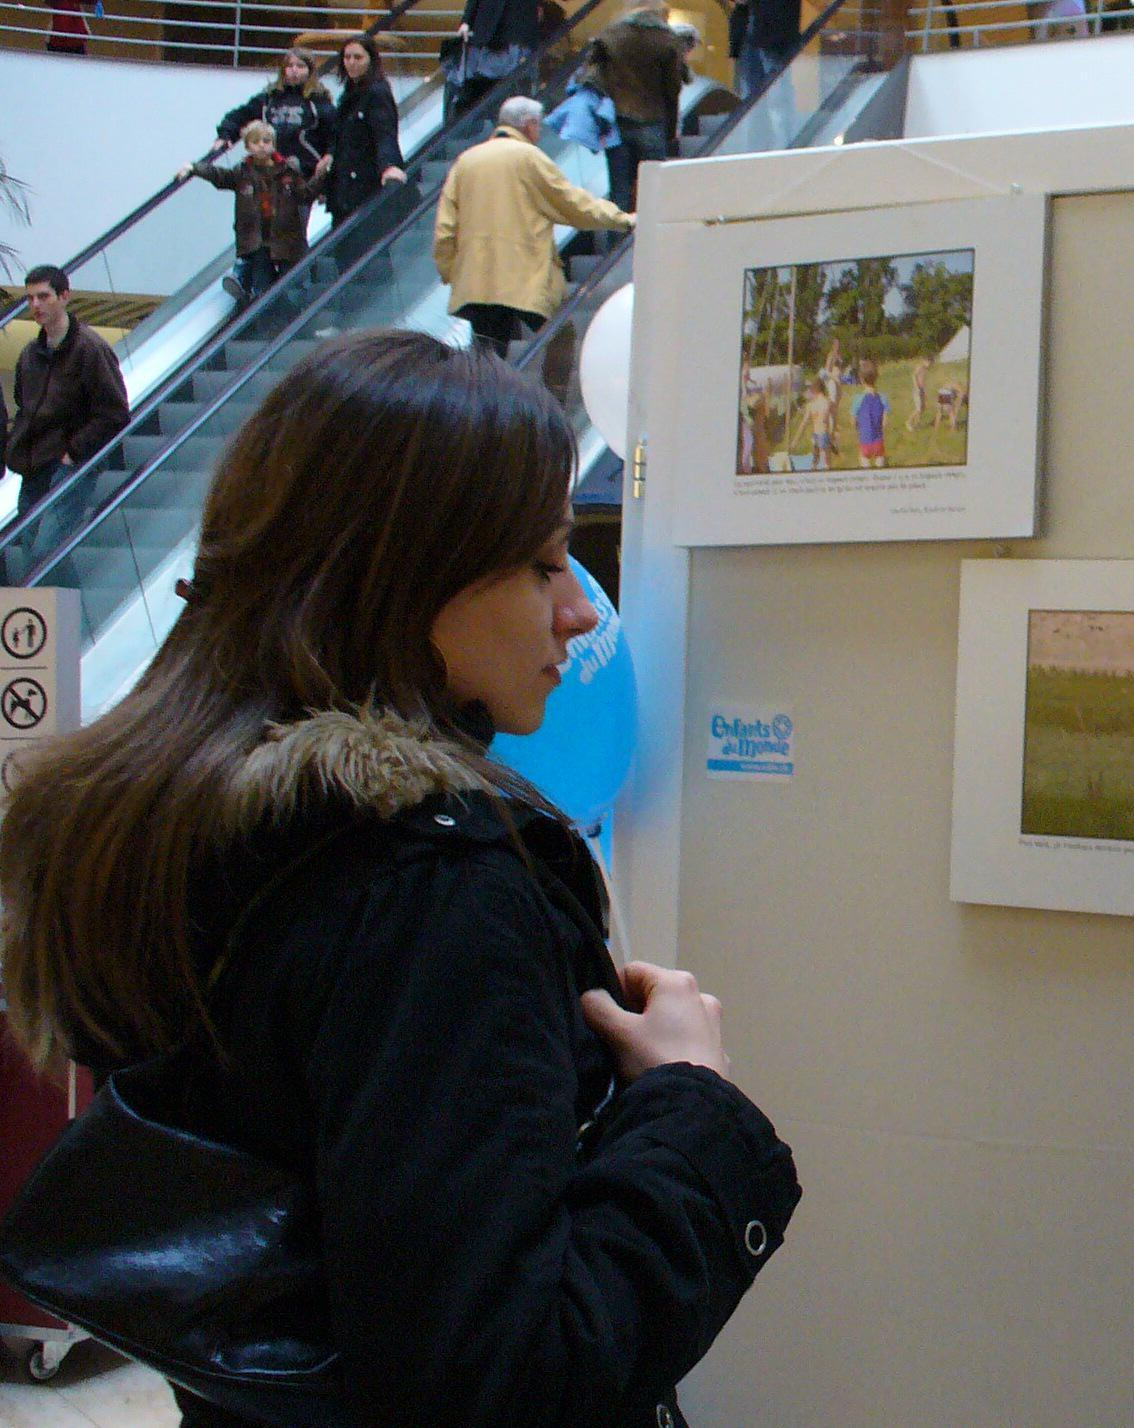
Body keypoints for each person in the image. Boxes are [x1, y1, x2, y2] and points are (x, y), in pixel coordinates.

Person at [0, 329, 799, 1427]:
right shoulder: (430, 890)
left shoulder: (169, 838)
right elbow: (497, 1386)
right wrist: (689, 1110)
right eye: (541, 560)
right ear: (407, 571)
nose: (577, 608)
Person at [434, 96, 632, 357]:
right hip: (524, 275)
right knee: (560, 335)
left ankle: (490, 397)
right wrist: (623, 219)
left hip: (476, 279)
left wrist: (452, 272)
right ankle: (552, 396)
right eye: (538, 126)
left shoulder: (466, 161)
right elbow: (572, 203)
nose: (539, 133)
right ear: (528, 125)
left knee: (488, 355)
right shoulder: (528, 157)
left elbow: (445, 229)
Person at [6, 265, 129, 546]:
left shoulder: (89, 348)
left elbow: (115, 412)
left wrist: (73, 451)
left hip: (69, 462)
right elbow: (24, 405)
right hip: (34, 463)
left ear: (64, 297)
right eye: (30, 298)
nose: (35, 305)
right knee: (33, 551)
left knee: (46, 551)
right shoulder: (30, 354)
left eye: (43, 296)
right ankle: (66, 591)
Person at [180, 121, 325, 307]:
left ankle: (292, 314)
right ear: (248, 146)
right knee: (262, 289)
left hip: (287, 239)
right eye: (256, 142)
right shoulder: (242, 173)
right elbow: (219, 175)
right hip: (257, 242)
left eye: (266, 141)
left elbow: (304, 194)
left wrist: (323, 177)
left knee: (293, 286)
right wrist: (194, 168)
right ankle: (264, 316)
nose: (262, 146)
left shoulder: (288, 171)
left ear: (273, 144)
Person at [586, 0, 687, 213]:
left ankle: (618, 244)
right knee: (653, 192)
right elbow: (672, 89)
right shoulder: (667, 40)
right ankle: (652, 242)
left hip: (617, 120)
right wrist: (671, 129)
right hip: (652, 121)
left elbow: (594, 73)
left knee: (619, 193)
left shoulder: (612, 35)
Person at [323, 34, 407, 226]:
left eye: (357, 57)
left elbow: (385, 133)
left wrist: (389, 165)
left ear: (371, 60)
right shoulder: (350, 93)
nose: (351, 63)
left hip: (364, 186)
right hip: (345, 188)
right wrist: (330, 153)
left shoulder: (377, 92)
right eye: (347, 57)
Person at [213, 47, 335, 176]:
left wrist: (330, 155)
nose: (294, 70)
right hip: (272, 173)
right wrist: (225, 135)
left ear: (310, 71)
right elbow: (239, 116)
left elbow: (336, 134)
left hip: (308, 174)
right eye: (290, 66)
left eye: (300, 66)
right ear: (283, 70)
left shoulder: (319, 101)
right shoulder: (269, 98)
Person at [449, 0, 546, 118]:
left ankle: (509, 113)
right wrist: (466, 21)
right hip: (492, 30)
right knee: (492, 73)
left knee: (512, 75)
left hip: (516, 29)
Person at [851, 357, 888, 468]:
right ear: (876, 377)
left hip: (865, 439)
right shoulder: (882, 397)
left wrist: (859, 427)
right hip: (878, 439)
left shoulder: (857, 399)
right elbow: (885, 422)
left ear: (861, 379)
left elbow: (853, 421)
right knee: (880, 458)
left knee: (864, 459)